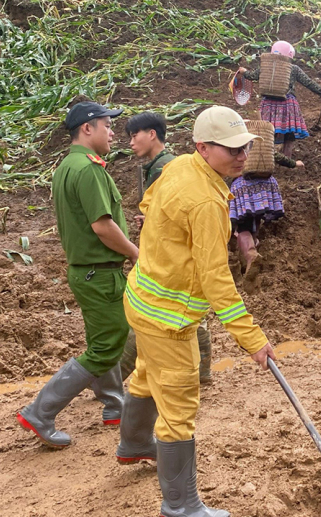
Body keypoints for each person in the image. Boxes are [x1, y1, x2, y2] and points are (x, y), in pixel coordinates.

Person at [116, 106, 275, 517]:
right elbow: (216, 278)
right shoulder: (205, 201)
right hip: (168, 317)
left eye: (245, 147)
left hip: (141, 299)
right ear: (203, 147)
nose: (242, 156)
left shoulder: (180, 166)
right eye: (231, 149)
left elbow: (148, 204)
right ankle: (181, 505)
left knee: (148, 374)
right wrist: (252, 339)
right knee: (180, 406)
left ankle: (134, 444)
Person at [17, 102, 138, 448]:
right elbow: (102, 226)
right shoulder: (88, 170)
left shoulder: (67, 166)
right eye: (106, 125)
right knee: (106, 344)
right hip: (99, 273)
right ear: (88, 129)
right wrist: (135, 252)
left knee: (107, 338)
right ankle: (41, 411)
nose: (112, 132)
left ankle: (114, 404)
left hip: (87, 272)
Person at [120, 113, 214, 385]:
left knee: (160, 315)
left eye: (134, 135)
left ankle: (113, 381)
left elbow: (179, 210)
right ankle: (202, 372)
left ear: (151, 134)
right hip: (174, 252)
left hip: (174, 255)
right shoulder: (160, 165)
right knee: (187, 316)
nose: (130, 142)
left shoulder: (165, 167)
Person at [240, 41, 321, 157]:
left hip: (268, 104)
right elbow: (308, 82)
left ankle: (266, 160)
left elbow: (252, 76)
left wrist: (243, 72)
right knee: (289, 135)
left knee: (268, 134)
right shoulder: (293, 68)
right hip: (288, 104)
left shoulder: (266, 67)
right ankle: (287, 161)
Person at [230, 151, 304, 290]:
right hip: (266, 183)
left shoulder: (239, 138)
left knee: (242, 226)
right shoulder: (262, 136)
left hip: (243, 184)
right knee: (256, 216)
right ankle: (250, 256)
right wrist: (294, 163)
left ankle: (251, 254)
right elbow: (274, 155)